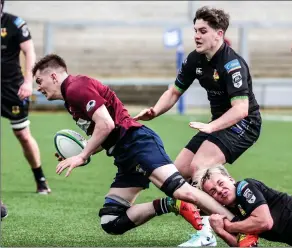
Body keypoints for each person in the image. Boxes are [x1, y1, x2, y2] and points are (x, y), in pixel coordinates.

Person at [31, 54, 247, 239]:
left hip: (137, 143)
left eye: (39, 81)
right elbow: (106, 130)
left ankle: (242, 226)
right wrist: (83, 153)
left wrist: (82, 155)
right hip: (125, 154)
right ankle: (170, 204)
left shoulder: (76, 87)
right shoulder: (71, 98)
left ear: (54, 76)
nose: (38, 87)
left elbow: (105, 124)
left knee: (185, 191)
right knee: (111, 220)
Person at [134, 6, 261, 246]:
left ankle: (237, 229)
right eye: (195, 30)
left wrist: (212, 127)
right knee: (176, 173)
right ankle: (212, 229)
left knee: (199, 168)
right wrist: (155, 111)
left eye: (203, 31)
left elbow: (241, 109)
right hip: (216, 124)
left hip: (244, 123)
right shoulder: (195, 59)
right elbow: (174, 91)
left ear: (219, 34)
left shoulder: (232, 64)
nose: (196, 36)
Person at [195, 165, 292, 247]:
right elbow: (243, 244)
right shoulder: (231, 213)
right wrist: (220, 231)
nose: (219, 190)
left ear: (231, 179)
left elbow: (265, 222)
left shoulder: (244, 187)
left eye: (221, 183)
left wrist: (228, 227)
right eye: (213, 191)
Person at [1, 0, 51, 194]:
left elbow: (29, 50)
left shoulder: (15, 23)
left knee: (22, 134)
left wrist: (28, 81)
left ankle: (40, 179)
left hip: (12, 87)